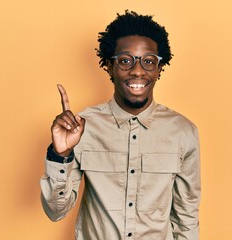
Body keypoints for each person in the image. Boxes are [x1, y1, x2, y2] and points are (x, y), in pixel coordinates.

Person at [40, 10, 201, 240]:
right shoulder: (81, 127)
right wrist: (60, 154)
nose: (137, 71)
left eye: (148, 61)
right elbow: (55, 211)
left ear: (159, 69)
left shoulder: (183, 132)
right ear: (109, 66)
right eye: (125, 61)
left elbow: (186, 220)